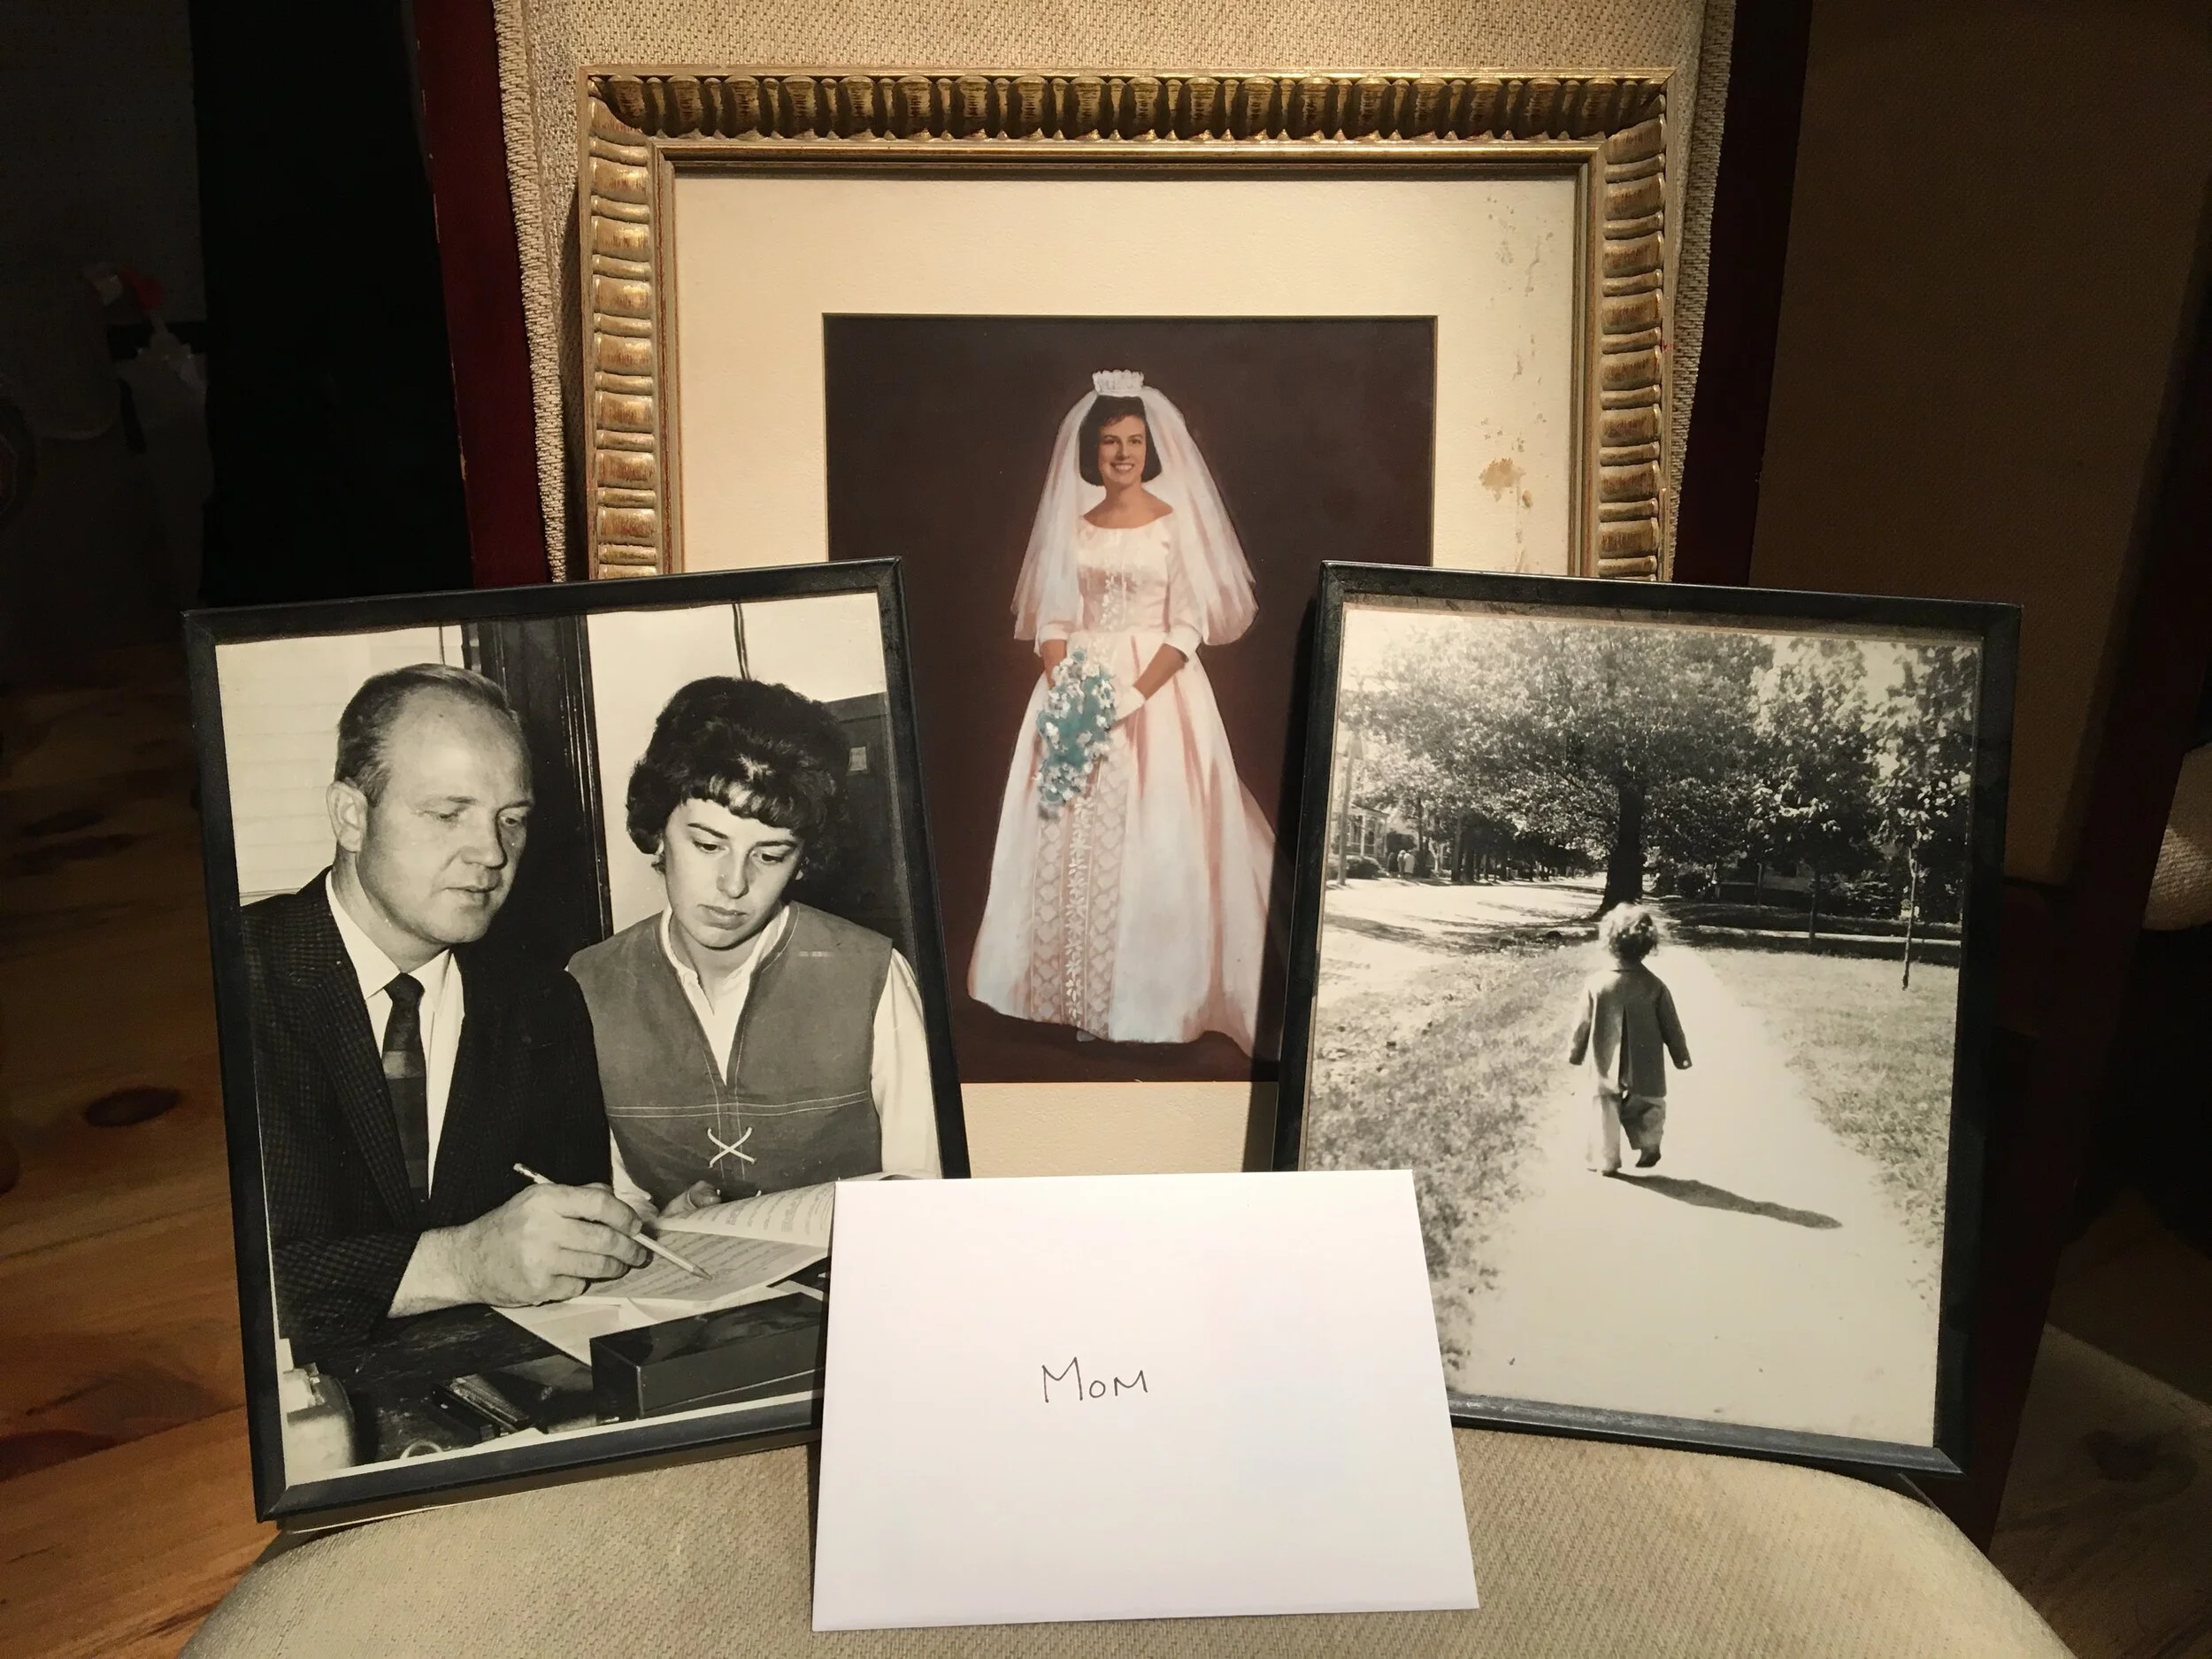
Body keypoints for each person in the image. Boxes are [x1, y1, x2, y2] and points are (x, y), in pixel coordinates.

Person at [242, 665, 647, 1356]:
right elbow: (226, 1278)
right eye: (447, 813)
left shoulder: (547, 1005)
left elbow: (567, 1255)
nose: (491, 853)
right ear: (350, 816)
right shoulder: (234, 980)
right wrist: (460, 1263)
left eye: (511, 819)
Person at [969, 370, 1274, 1052]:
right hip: (1076, 690)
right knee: (1064, 838)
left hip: (1158, 698)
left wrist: (1134, 694)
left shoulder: (1173, 526)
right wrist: (1066, 688)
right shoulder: (1073, 529)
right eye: (1111, 442)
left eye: (1134, 440)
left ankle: (1149, 1004)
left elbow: (1189, 626)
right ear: (1092, 450)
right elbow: (1053, 618)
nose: (1123, 454)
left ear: (1151, 447)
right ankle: (1074, 998)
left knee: (1155, 840)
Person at [566, 677, 940, 1220]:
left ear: (804, 859)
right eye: (708, 844)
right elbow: (614, 1198)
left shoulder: (874, 974)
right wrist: (657, 1225)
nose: (734, 885)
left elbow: (926, 1189)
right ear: (658, 830)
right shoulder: (586, 983)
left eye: (769, 855)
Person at [1567, 903, 1693, 1173]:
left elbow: (1582, 1024)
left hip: (1605, 1057)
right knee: (1648, 1102)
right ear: (1648, 946)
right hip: (1645, 1060)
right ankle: (1649, 1142)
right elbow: (1671, 1025)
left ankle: (1607, 1158)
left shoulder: (1596, 984)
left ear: (1608, 942)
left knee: (1605, 1105)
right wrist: (1680, 1056)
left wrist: (1575, 1053)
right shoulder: (1655, 986)